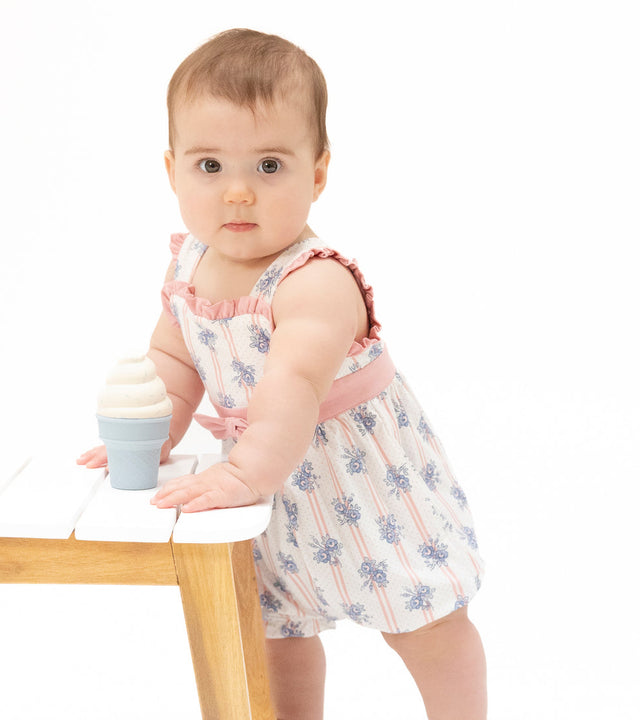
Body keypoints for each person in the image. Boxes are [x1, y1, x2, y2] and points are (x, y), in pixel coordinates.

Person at [78, 28, 487, 720]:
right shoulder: (188, 267)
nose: (238, 192)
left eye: (269, 166)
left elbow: (292, 387)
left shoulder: (315, 280)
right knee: (277, 630)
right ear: (172, 168)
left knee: (423, 624)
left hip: (364, 485)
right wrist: (151, 436)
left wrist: (243, 473)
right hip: (276, 494)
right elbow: (176, 363)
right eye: (210, 166)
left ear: (317, 172)